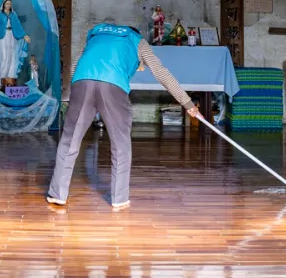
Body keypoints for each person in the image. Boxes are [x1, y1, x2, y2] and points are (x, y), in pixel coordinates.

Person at [46, 23, 199, 210]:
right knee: (120, 144)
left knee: (69, 139)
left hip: (82, 80)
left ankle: (57, 194)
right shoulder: (137, 41)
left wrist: (76, 92)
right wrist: (188, 104)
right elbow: (161, 72)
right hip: (112, 85)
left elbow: (77, 64)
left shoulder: (97, 34)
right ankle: (119, 198)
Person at [0, 0, 29, 89]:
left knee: (12, 57)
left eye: (10, 4)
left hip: (12, 36)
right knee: (3, 57)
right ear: (3, 4)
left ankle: (10, 82)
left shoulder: (13, 14)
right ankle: (0, 82)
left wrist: (24, 35)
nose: (8, 5)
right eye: (7, 4)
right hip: (2, 37)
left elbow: (18, 25)